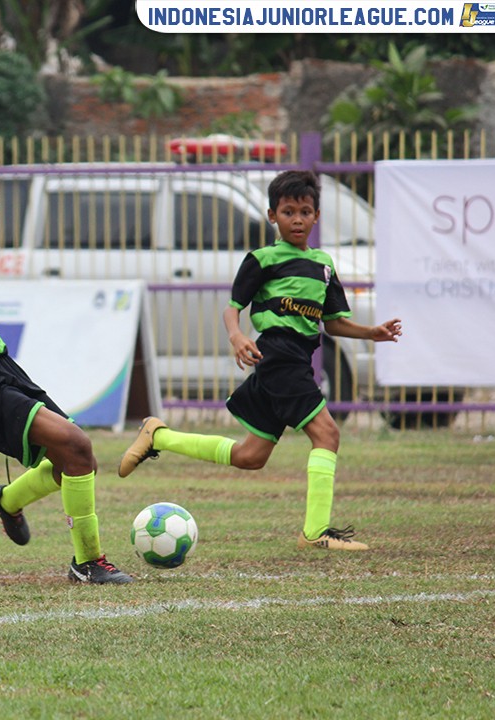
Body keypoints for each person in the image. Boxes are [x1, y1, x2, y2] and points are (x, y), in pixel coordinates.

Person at [119, 169, 402, 551]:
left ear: (316, 216)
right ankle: (315, 533)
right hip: (278, 356)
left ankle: (160, 435)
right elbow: (232, 309)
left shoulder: (323, 266)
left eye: (304, 211)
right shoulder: (262, 259)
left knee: (250, 456)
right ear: (272, 216)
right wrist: (237, 337)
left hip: (298, 360)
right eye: (288, 211)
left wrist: (371, 332)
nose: (297, 219)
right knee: (328, 434)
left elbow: (333, 324)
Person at [0, 157, 132, 584]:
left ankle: (6, 500)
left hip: (1, 368)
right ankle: (86, 562)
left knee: (75, 457)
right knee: (78, 446)